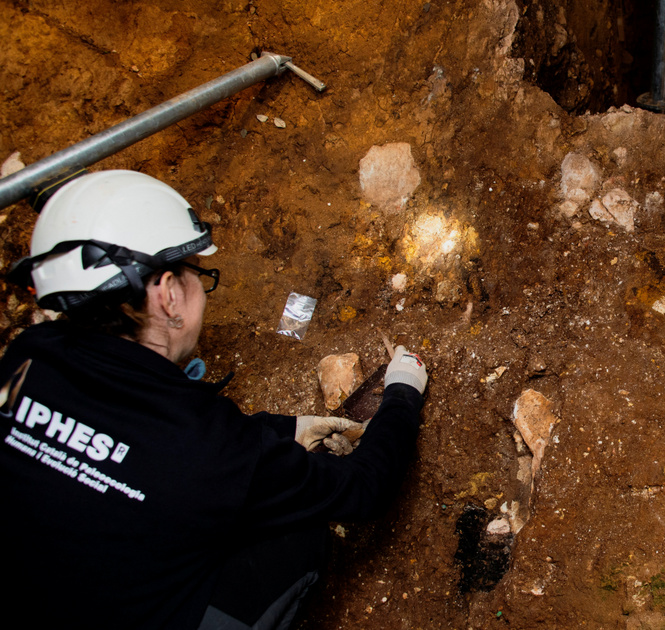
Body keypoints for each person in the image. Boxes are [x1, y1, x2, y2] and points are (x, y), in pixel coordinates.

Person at [0, 170, 428, 629]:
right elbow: (364, 489)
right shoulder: (204, 449)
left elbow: (141, 445)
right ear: (167, 295)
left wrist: (286, 430)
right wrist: (402, 393)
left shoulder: (25, 360)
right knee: (300, 534)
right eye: (195, 275)